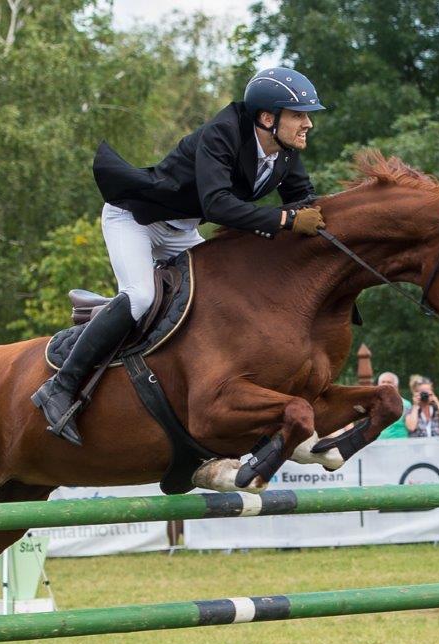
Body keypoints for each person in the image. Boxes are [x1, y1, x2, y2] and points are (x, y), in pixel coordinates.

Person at [32, 67, 327, 445]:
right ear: (268, 118)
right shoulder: (223, 134)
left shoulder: (283, 154)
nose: (308, 124)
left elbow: (305, 202)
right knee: (141, 296)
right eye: (299, 115)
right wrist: (285, 219)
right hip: (136, 219)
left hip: (182, 230)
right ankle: (60, 387)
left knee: (224, 299)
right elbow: (218, 204)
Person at [376, 372, 412, 439]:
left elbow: (411, 427)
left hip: (399, 445)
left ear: (396, 386)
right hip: (378, 444)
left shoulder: (406, 404)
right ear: (378, 385)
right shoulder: (374, 404)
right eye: (383, 382)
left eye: (389, 382)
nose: (385, 384)